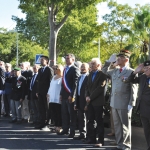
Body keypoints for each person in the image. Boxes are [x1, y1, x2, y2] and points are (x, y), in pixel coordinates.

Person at [102, 50, 138, 150]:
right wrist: (109, 62)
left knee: (125, 126)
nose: (118, 59)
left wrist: (131, 103)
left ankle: (126, 146)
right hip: (114, 102)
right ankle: (119, 144)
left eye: (121, 58)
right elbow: (104, 71)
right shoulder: (116, 70)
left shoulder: (131, 71)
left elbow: (133, 88)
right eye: (118, 57)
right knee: (117, 125)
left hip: (124, 103)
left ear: (126, 59)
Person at [128, 61, 150, 150]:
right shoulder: (142, 77)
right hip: (143, 109)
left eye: (149, 68)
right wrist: (135, 72)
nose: (147, 70)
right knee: (147, 131)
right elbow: (130, 80)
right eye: (145, 68)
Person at [58, 53, 80, 138]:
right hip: (64, 95)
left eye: (68, 58)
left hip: (70, 95)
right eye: (66, 58)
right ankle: (65, 129)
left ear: (73, 60)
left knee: (72, 114)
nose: (66, 60)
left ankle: (72, 131)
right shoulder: (65, 69)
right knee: (64, 113)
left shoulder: (75, 69)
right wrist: (61, 93)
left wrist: (72, 95)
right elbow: (63, 84)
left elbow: (75, 84)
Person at [35, 55, 53, 129]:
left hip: (46, 92)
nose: (41, 61)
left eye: (42, 60)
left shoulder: (49, 69)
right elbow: (38, 81)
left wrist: (48, 92)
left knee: (47, 108)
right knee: (41, 108)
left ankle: (47, 123)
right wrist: (37, 91)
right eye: (40, 60)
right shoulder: (40, 70)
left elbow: (50, 81)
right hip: (40, 92)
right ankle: (41, 122)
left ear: (47, 61)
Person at [74, 63, 89, 140]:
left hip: (85, 100)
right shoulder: (79, 77)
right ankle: (82, 133)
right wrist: (76, 102)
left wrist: (87, 103)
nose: (82, 68)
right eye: (82, 67)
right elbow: (77, 90)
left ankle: (88, 135)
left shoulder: (88, 77)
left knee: (87, 118)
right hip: (79, 99)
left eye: (84, 67)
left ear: (88, 68)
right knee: (80, 117)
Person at [47, 64, 63, 133]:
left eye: (56, 69)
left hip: (58, 97)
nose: (55, 70)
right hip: (52, 97)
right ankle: (55, 125)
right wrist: (48, 93)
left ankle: (59, 126)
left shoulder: (62, 78)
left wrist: (61, 95)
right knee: (53, 112)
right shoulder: (54, 77)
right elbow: (51, 86)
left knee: (58, 112)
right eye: (54, 69)